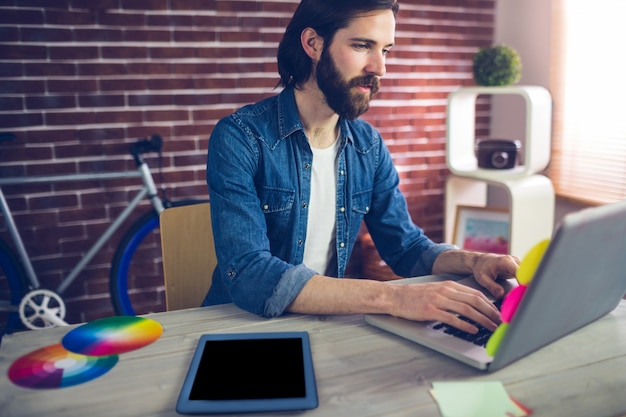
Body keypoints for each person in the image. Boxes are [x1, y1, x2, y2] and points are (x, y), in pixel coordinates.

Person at [202, 0, 519, 335]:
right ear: (313, 44)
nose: (379, 66)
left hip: (319, 326)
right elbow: (251, 274)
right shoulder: (241, 137)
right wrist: (395, 299)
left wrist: (473, 262)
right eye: (362, 45)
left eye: (386, 50)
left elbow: (406, 247)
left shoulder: (368, 145)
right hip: (237, 329)